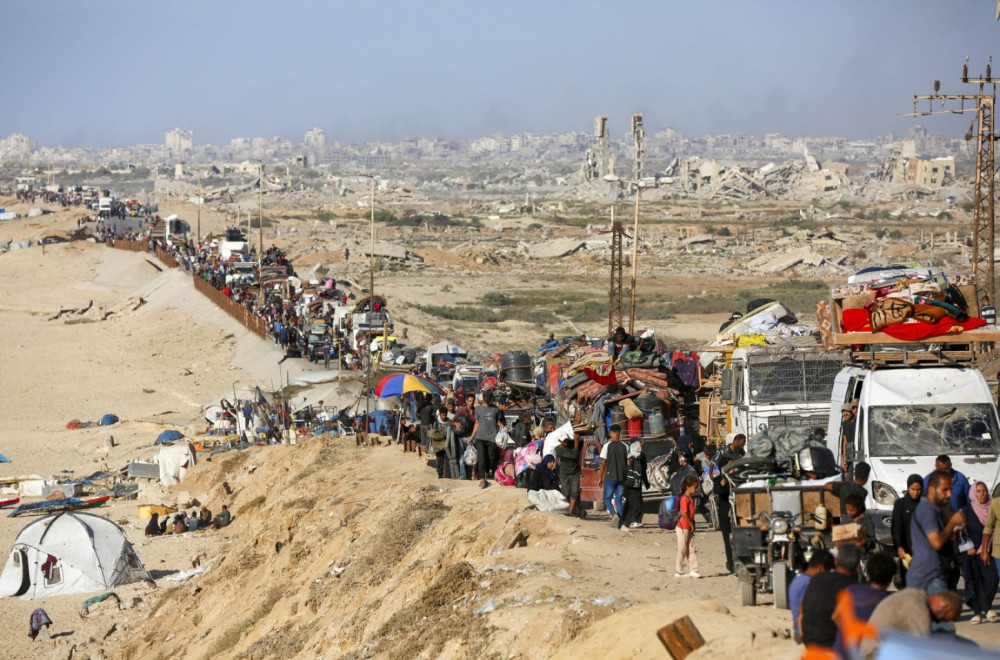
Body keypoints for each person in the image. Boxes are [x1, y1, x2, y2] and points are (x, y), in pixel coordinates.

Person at [860, 589, 962, 660]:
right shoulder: (918, 608)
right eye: (944, 618)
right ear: (946, 607)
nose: (938, 622)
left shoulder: (913, 594)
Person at [908, 469, 965, 594]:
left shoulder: (934, 509)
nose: (950, 494)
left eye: (950, 489)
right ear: (932, 489)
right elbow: (936, 543)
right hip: (929, 577)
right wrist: (952, 522)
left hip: (933, 574)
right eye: (944, 490)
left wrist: (952, 532)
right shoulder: (927, 509)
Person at [800, 543, 861, 650]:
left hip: (809, 643)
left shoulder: (817, 579)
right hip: (833, 648)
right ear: (857, 567)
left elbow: (801, 610)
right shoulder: (856, 589)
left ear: (836, 562)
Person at [833, 552, 894, 656]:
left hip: (840, 653)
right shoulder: (891, 602)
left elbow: (835, 617)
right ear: (890, 579)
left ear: (868, 575)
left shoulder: (851, 590)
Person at [961, 481, 999, 623]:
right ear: (973, 493)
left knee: (992, 579)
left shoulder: (993, 508)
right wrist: (968, 547)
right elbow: (961, 531)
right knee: (975, 582)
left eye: (984, 490)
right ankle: (979, 612)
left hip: (991, 551)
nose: (982, 493)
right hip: (971, 553)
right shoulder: (966, 510)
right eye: (979, 491)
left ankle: (986, 607)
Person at [712, 432, 746, 574]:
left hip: (738, 495)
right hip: (725, 496)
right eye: (741, 443)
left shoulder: (742, 454)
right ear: (736, 441)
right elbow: (713, 471)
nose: (742, 446)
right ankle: (731, 563)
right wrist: (722, 477)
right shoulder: (722, 453)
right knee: (727, 533)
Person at [790, 549, 835, 644]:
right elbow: (803, 609)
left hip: (798, 630)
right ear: (821, 569)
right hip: (807, 633)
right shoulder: (809, 583)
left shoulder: (798, 580)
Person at [891, 473, 923, 586]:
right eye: (913, 489)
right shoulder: (901, 504)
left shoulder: (925, 504)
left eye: (918, 489)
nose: (915, 492)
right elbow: (897, 527)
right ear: (908, 488)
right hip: (906, 551)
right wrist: (899, 546)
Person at [598, 425, 629, 528]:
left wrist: (600, 477)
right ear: (620, 433)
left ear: (611, 433)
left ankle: (614, 515)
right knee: (618, 500)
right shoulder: (626, 446)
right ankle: (619, 525)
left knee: (607, 499)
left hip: (610, 476)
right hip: (621, 477)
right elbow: (629, 463)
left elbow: (603, 463)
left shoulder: (607, 446)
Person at [471, 390, 501, 488]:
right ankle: (482, 479)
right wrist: (472, 436)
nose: (487, 401)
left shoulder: (495, 409)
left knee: (491, 458)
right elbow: (477, 423)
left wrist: (503, 429)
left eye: (488, 399)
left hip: (492, 438)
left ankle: (487, 474)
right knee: (481, 457)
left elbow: (498, 422)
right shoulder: (478, 409)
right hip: (480, 437)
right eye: (485, 399)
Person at [674, 474, 700, 578]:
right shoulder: (685, 498)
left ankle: (694, 570)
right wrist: (691, 524)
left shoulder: (691, 498)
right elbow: (684, 513)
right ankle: (678, 570)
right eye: (695, 487)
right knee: (682, 548)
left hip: (688, 527)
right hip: (682, 526)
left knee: (692, 548)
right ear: (688, 487)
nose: (696, 489)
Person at [554, 428, 583, 518]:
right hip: (564, 473)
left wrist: (577, 438)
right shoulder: (558, 449)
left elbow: (580, 445)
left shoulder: (572, 444)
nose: (566, 442)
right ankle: (566, 510)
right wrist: (576, 442)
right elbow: (574, 455)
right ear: (560, 441)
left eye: (567, 440)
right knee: (566, 493)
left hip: (575, 472)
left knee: (575, 492)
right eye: (564, 441)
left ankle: (570, 512)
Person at [621, 439, 649, 528]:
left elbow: (643, 470)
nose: (642, 443)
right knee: (632, 501)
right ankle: (632, 521)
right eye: (640, 442)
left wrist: (646, 482)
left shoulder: (642, 456)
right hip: (629, 482)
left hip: (637, 482)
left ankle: (631, 521)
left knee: (637, 501)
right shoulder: (629, 455)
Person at [842, 493, 877, 561]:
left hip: (863, 556)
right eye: (847, 510)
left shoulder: (867, 520)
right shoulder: (845, 519)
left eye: (852, 510)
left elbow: (872, 539)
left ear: (859, 508)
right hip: (848, 555)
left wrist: (865, 542)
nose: (849, 512)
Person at [839, 402, 856, 471]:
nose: (845, 414)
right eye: (843, 412)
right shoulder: (844, 424)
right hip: (850, 453)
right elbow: (845, 442)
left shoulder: (857, 422)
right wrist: (844, 460)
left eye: (847, 411)